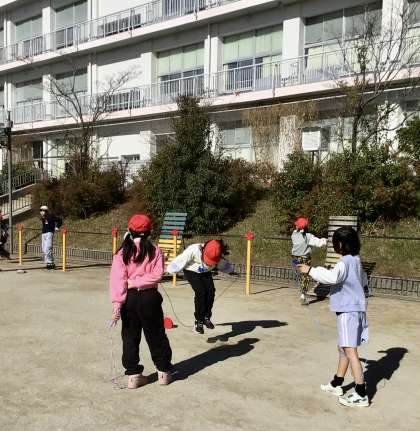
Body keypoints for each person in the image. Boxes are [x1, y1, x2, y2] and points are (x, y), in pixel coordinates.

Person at [297, 226, 369, 408]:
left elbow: (332, 277)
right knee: (343, 348)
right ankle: (337, 383)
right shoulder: (356, 260)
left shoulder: (344, 262)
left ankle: (361, 393)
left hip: (348, 311)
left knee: (350, 351)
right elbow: (363, 281)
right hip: (354, 309)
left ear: (341, 245)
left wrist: (310, 270)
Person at [109, 214, 173, 389]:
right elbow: (157, 275)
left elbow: (117, 281)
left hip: (129, 299)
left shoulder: (121, 253)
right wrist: (140, 282)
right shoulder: (156, 251)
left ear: (129, 231)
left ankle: (133, 375)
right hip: (150, 297)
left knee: (130, 336)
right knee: (156, 334)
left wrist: (117, 305)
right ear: (150, 231)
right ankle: (163, 371)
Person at [167, 240, 234, 334]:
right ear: (203, 250)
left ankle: (206, 317)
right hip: (191, 271)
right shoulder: (193, 250)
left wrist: (230, 270)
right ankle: (198, 321)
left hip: (205, 271)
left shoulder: (217, 254)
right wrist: (170, 270)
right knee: (201, 292)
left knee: (211, 291)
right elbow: (180, 260)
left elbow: (223, 264)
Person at [291, 217, 327, 305]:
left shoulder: (294, 235)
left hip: (295, 259)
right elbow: (319, 243)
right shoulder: (308, 237)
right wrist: (326, 240)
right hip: (304, 259)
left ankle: (301, 290)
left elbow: (298, 232)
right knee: (305, 277)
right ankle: (303, 295)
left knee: (300, 276)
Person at [40, 205, 62, 270]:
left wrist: (57, 227)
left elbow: (59, 220)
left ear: (46, 211)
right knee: (44, 249)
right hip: (43, 234)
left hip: (49, 233)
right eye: (40, 210)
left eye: (43, 210)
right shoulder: (43, 217)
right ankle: (50, 262)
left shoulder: (51, 216)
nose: (41, 212)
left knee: (48, 248)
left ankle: (50, 263)